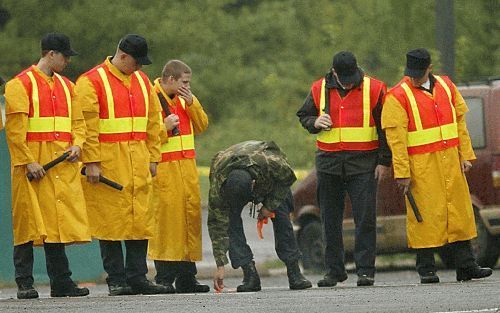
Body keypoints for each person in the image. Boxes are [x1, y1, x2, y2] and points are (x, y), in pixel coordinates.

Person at [381, 48, 493, 283]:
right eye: (411, 73)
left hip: (450, 161)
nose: (414, 78)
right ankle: (426, 268)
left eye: (419, 73)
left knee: (459, 213)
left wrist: (465, 155)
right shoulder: (397, 96)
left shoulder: (447, 86)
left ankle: (466, 265)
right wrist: (402, 173)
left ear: (429, 69)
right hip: (421, 166)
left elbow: (460, 123)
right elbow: (396, 141)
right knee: (425, 216)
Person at [74, 34, 169, 296]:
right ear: (123, 56)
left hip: (138, 159)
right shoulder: (91, 82)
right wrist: (91, 162)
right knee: (111, 221)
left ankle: (138, 277)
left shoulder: (142, 81)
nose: (140, 68)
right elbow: (87, 127)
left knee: (141, 219)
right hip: (108, 162)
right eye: (137, 63)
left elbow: (153, 122)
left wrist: (153, 157)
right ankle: (117, 280)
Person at [4, 33, 91, 299]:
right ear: (50, 54)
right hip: (31, 167)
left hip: (60, 166)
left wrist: (77, 144)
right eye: (64, 56)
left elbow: (79, 124)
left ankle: (61, 282)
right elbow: (16, 132)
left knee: (57, 224)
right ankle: (25, 283)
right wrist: (28, 161)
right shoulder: (20, 85)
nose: (67, 61)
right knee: (28, 224)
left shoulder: (68, 87)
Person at [297, 51, 391, 287]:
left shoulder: (375, 89)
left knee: (365, 219)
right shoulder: (319, 88)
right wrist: (314, 123)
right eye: (344, 78)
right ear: (334, 72)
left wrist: (384, 160)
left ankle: (366, 271)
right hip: (329, 165)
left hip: (363, 164)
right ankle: (334, 271)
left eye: (352, 77)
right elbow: (304, 115)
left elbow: (386, 128)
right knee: (329, 220)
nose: (349, 82)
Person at [208, 140, 312, 292]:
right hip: (235, 177)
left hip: (269, 178)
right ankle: (249, 274)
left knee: (282, 214)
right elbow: (217, 223)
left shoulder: (272, 162)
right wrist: (220, 264)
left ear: (253, 185)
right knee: (229, 219)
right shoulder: (219, 182)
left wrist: (268, 206)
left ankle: (294, 270)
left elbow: (287, 180)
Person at [148, 60, 210, 293]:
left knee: (188, 222)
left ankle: (187, 277)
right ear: (170, 79)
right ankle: (164, 276)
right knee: (166, 225)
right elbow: (143, 135)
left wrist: (192, 102)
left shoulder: (186, 99)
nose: (187, 86)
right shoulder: (152, 98)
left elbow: (202, 124)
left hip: (186, 170)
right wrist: (163, 127)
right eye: (184, 82)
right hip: (165, 172)